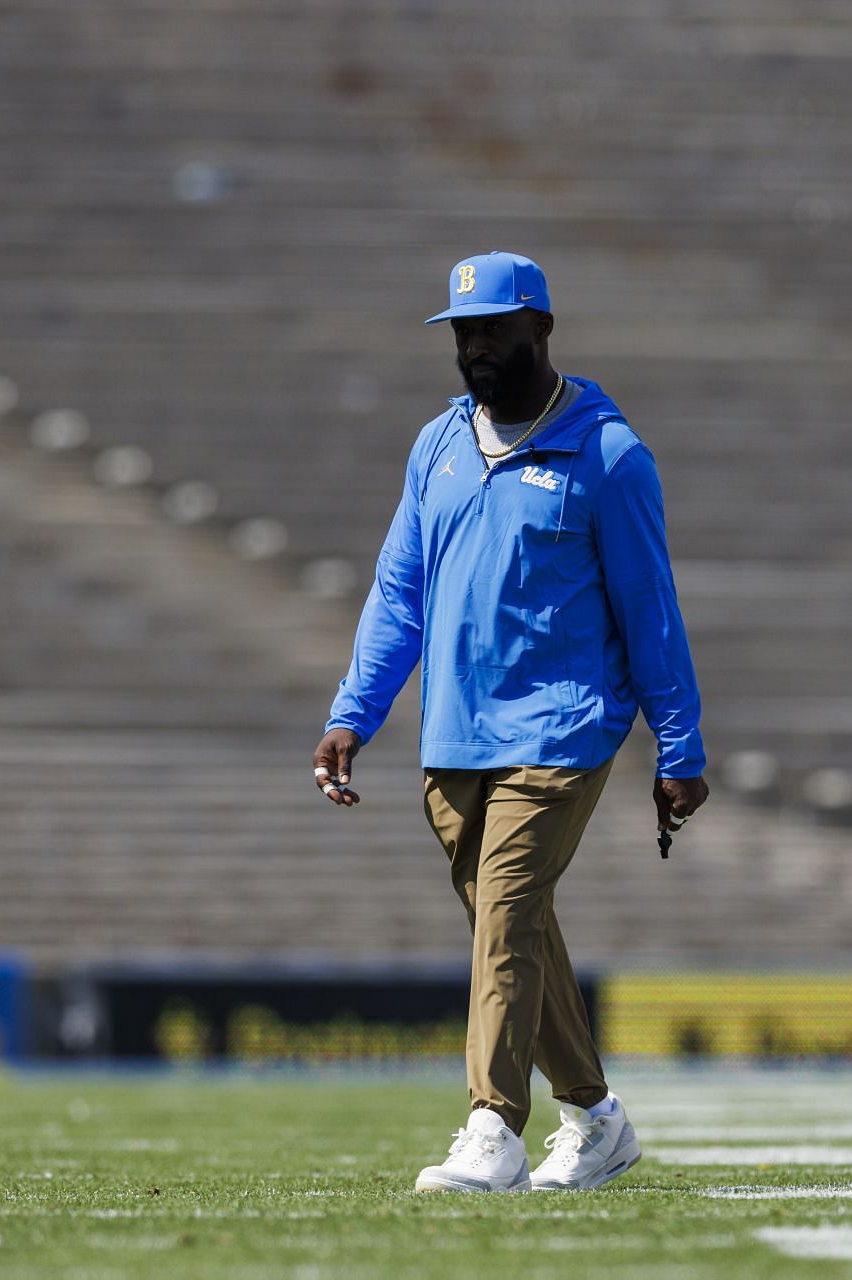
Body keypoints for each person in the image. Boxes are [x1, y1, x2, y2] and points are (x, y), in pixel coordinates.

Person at [312, 250, 709, 1193]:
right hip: (454, 734)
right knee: (512, 926)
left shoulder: (608, 455)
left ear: (542, 327)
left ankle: (493, 1125)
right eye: (463, 332)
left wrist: (679, 744)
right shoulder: (437, 447)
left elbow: (651, 609)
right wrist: (352, 715)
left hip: (562, 731)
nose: (476, 348)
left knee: (507, 918)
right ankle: (599, 1117)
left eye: (493, 328)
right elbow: (397, 594)